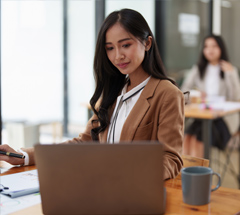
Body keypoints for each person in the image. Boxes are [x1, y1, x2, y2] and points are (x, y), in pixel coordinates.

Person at [0, 9, 184, 180]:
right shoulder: (113, 92)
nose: (117, 55)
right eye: (110, 48)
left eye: (125, 45)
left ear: (147, 43)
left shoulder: (167, 94)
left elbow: (170, 159)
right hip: (101, 187)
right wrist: (24, 156)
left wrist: (125, 175)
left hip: (132, 191)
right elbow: (84, 143)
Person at [181, 35, 240, 158]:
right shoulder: (198, 69)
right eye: (206, 47)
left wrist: (230, 74)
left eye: (214, 46)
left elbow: (235, 98)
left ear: (221, 49)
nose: (210, 50)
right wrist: (197, 93)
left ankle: (200, 175)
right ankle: (187, 175)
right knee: (186, 138)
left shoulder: (230, 70)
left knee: (199, 140)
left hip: (222, 119)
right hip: (201, 115)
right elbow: (184, 91)